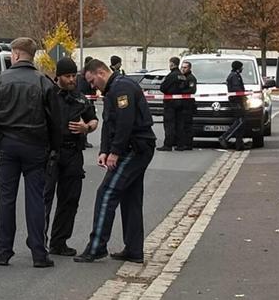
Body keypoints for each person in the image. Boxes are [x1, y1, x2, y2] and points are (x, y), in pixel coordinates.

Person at [0, 38, 63, 268]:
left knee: (6, 200)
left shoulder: (0, 81)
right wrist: (54, 149)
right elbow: (56, 121)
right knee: (35, 199)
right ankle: (39, 253)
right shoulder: (43, 82)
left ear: (15, 54)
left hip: (7, 145)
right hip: (36, 147)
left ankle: (3, 252)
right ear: (32, 55)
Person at [75, 58, 155, 264]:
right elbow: (109, 123)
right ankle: (134, 249)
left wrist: (115, 152)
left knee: (107, 192)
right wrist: (104, 150)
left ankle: (96, 247)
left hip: (135, 148)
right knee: (130, 197)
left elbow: (125, 122)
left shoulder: (122, 88)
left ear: (101, 73)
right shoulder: (113, 89)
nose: (93, 86)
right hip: (136, 147)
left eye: (93, 81)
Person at [42, 58, 99, 256]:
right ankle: (40, 242)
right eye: (68, 76)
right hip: (51, 153)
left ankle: (59, 242)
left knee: (70, 199)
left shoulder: (80, 98)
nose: (72, 79)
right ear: (58, 76)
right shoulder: (48, 95)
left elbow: (93, 120)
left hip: (73, 153)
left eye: (74, 76)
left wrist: (87, 128)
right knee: (44, 198)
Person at [219, 60, 248, 150]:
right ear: (238, 67)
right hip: (236, 101)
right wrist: (243, 95)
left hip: (237, 101)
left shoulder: (235, 75)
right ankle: (225, 137)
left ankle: (239, 144)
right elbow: (237, 89)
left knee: (240, 122)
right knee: (240, 121)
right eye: (241, 67)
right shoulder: (234, 76)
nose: (242, 68)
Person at [159, 57, 183, 151]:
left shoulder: (171, 75)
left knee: (169, 124)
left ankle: (168, 144)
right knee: (179, 124)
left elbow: (163, 87)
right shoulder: (181, 75)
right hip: (180, 102)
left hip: (170, 103)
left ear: (172, 64)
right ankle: (179, 144)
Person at [177, 61, 198, 150]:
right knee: (183, 125)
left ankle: (188, 144)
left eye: (185, 67)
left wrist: (180, 93)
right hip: (183, 104)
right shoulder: (182, 77)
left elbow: (191, 90)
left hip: (188, 104)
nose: (183, 69)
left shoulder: (191, 78)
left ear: (189, 68)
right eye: (182, 67)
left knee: (187, 125)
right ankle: (183, 143)